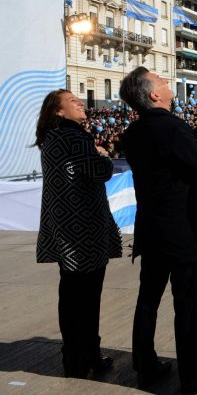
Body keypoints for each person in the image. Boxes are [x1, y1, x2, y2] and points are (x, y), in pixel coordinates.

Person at [119, 67, 197, 393]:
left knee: (148, 299)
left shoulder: (132, 133)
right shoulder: (173, 127)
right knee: (187, 302)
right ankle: (190, 373)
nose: (168, 83)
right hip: (181, 230)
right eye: (162, 81)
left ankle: (145, 365)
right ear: (154, 95)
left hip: (151, 227)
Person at [35, 89, 122, 378]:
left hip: (66, 227)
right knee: (86, 298)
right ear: (58, 111)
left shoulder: (52, 137)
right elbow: (99, 171)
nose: (80, 103)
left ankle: (76, 358)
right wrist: (103, 155)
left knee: (72, 296)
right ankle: (85, 357)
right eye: (72, 101)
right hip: (83, 231)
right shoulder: (74, 136)